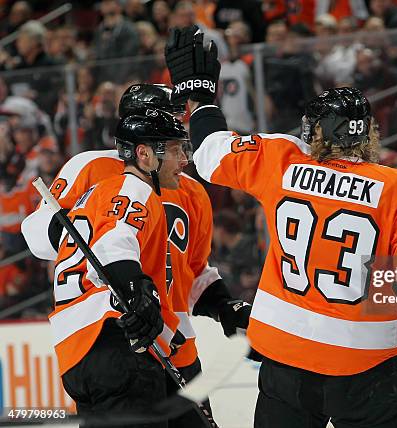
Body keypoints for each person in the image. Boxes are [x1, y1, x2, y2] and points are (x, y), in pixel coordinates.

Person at [165, 25, 397, 427]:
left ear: (316, 133)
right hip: (364, 366)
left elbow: (210, 154)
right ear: (367, 133)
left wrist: (198, 97)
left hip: (284, 359)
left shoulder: (284, 161)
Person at [21, 84, 252, 427]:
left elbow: (193, 271)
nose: (175, 127)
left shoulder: (190, 191)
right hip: (125, 331)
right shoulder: (94, 168)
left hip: (174, 341)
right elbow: (39, 235)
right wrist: (86, 227)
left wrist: (223, 306)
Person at [31, 108, 186, 426]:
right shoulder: (133, 188)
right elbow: (112, 244)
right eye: (174, 150)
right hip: (116, 342)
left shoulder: (93, 195)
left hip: (77, 354)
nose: (184, 159)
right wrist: (137, 290)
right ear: (144, 154)